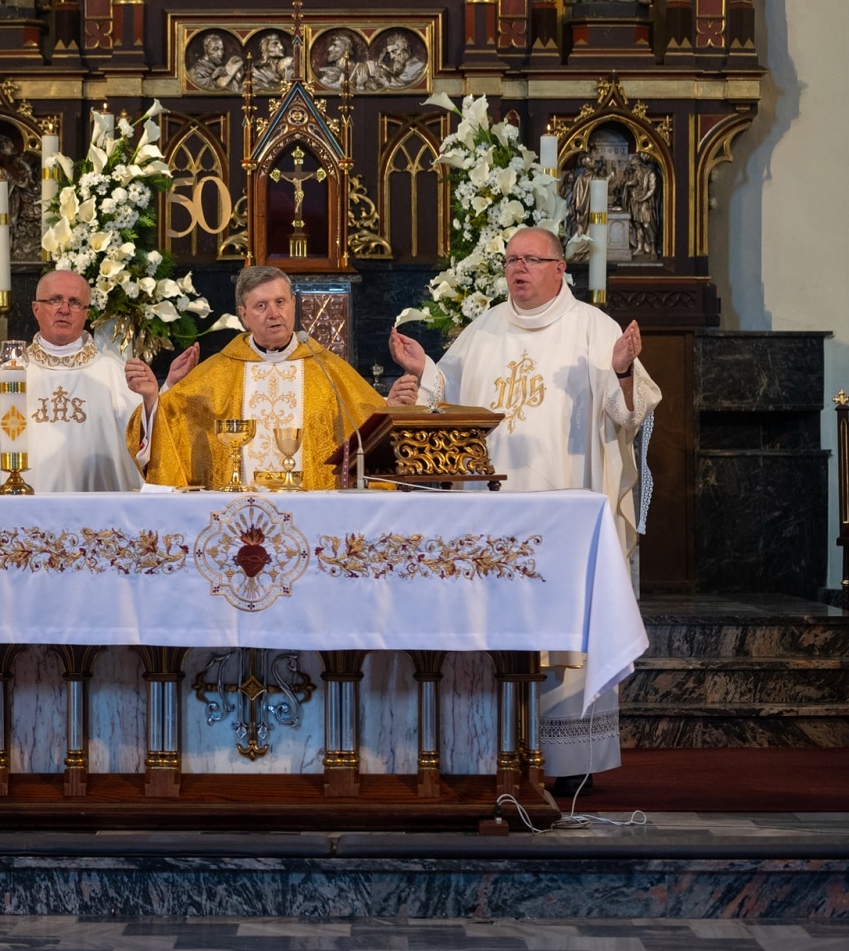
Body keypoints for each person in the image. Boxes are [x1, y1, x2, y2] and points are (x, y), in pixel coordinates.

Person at [389, 226, 661, 796]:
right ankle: (490, 745)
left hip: (565, 515)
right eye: (512, 260)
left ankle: (570, 756)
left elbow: (627, 416)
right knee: (498, 627)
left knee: (564, 631)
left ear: (560, 268)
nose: (519, 269)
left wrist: (620, 370)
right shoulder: (484, 329)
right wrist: (426, 373)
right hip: (494, 517)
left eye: (532, 260)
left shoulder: (595, 329)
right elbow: (450, 402)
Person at [0, 270, 197, 493]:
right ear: (35, 309)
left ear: (87, 313)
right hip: (21, 519)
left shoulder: (113, 373)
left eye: (74, 302)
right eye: (54, 300)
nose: (64, 309)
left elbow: (148, 436)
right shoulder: (8, 373)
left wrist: (161, 393)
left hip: (98, 523)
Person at [137, 264, 417, 489]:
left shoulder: (326, 368)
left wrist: (389, 410)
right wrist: (154, 397)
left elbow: (362, 425)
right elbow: (173, 425)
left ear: (294, 305)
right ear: (244, 316)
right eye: (261, 306)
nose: (274, 314)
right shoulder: (218, 372)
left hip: (311, 514)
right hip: (239, 517)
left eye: (280, 302)